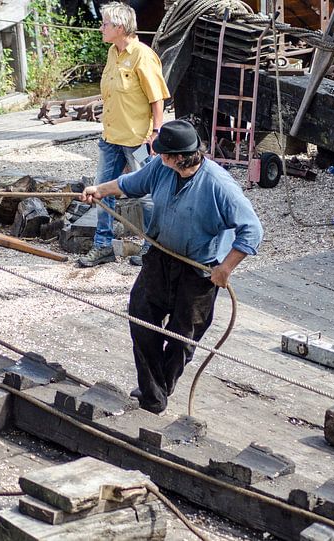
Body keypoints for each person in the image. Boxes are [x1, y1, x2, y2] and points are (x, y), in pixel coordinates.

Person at [80, 120, 264, 414]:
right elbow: (130, 183)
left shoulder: (219, 185)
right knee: (141, 319)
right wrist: (99, 190)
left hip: (200, 269)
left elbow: (252, 230)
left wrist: (226, 268)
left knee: (182, 336)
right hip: (160, 258)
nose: (158, 157)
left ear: (179, 156)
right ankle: (153, 396)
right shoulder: (161, 168)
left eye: (163, 153)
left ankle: (157, 390)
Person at [77, 1, 170, 268]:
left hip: (137, 140)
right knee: (101, 191)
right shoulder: (111, 53)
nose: (101, 27)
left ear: (119, 27)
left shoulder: (143, 55)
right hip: (111, 138)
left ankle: (152, 248)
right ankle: (102, 246)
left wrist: (155, 132)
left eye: (105, 24)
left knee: (147, 195)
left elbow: (157, 98)